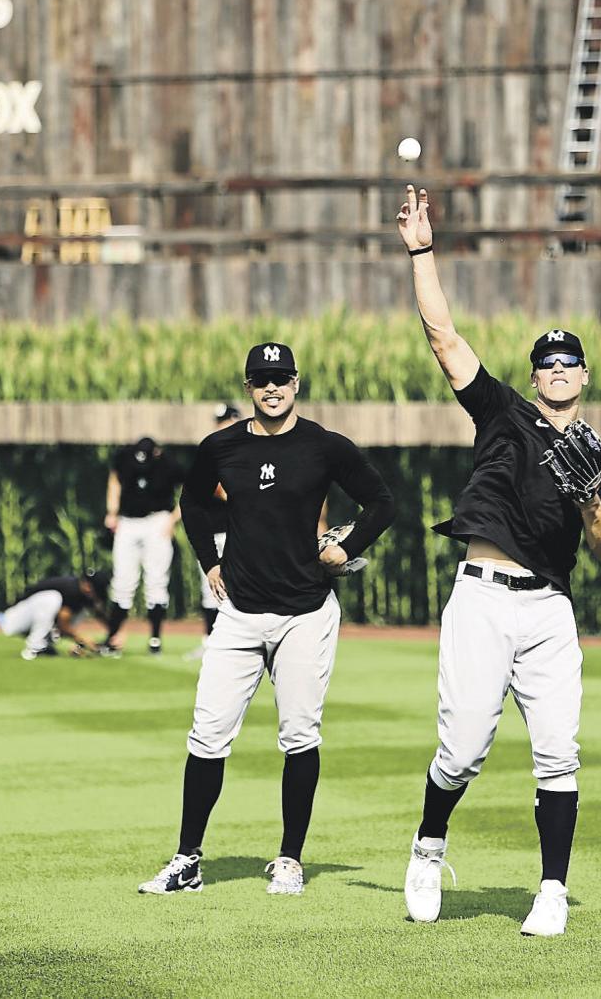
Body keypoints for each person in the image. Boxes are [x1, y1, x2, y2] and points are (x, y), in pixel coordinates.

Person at [394, 185, 601, 938]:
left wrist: (590, 501)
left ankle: (551, 889)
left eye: (570, 363)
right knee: (460, 748)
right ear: (533, 377)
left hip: (547, 609)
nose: (558, 371)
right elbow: (443, 338)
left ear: (584, 376)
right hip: (482, 598)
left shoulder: (598, 458)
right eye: (546, 363)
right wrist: (422, 252)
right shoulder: (503, 413)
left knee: (558, 754)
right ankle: (428, 846)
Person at [137, 342, 395, 898]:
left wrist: (346, 546)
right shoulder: (222, 446)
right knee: (206, 736)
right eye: (260, 381)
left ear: (296, 383)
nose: (271, 388)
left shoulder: (324, 446)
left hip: (306, 612)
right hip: (240, 612)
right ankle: (187, 860)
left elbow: (381, 502)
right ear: (249, 387)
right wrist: (209, 561)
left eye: (280, 379)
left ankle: (289, 859)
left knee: (299, 736)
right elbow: (193, 500)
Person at [102, 436, 182, 656]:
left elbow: (192, 489)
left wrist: (173, 518)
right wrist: (112, 511)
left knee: (156, 581)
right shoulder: (124, 458)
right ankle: (113, 638)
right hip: (128, 522)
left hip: (156, 521)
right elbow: (114, 479)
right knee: (123, 582)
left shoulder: (168, 463)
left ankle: (155, 638)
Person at [185, 402, 243, 662]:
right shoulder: (213, 451)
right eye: (219, 422)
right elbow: (216, 491)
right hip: (216, 529)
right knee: (212, 587)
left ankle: (237, 644)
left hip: (242, 530)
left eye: (226, 421)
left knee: (242, 586)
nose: (222, 427)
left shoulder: (248, 449)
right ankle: (211, 642)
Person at [0, 569, 110, 659]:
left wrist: (113, 635)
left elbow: (99, 614)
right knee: (52, 598)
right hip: (15, 619)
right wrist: (81, 639)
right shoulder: (71, 589)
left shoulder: (85, 596)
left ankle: (46, 646)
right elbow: (63, 625)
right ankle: (35, 648)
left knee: (82, 610)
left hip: (31, 621)